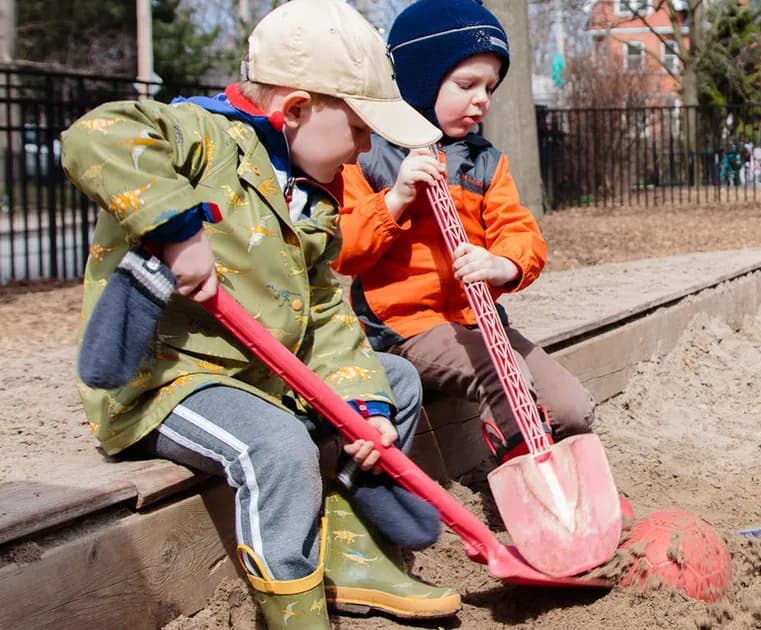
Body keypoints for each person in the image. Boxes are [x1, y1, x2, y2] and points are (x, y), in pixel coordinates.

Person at [61, 1, 461, 627]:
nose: (361, 152)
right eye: (358, 129)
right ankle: (294, 609)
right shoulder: (202, 138)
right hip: (170, 382)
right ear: (297, 109)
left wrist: (366, 409)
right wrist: (175, 227)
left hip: (262, 375)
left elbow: (327, 311)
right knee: (277, 445)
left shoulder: (312, 196)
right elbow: (97, 134)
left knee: (397, 382)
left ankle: (353, 554)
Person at [334, 0, 596, 481]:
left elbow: (519, 231)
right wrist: (394, 201)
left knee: (572, 407)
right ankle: (534, 489)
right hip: (403, 327)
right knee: (506, 373)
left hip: (477, 319)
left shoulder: (484, 162)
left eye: (490, 88)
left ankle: (570, 482)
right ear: (418, 79)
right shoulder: (368, 155)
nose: (482, 100)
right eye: (466, 84)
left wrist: (504, 266)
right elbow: (343, 248)